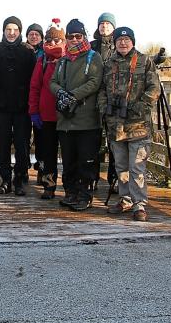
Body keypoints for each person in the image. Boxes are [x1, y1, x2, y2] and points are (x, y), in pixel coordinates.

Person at [98, 26, 160, 221]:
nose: (123, 43)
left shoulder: (144, 61)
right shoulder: (109, 63)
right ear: (115, 42)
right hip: (116, 125)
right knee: (121, 165)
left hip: (138, 125)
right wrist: (103, 107)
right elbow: (101, 89)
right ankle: (125, 200)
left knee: (137, 166)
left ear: (133, 41)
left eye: (126, 40)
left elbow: (154, 88)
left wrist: (139, 106)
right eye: (119, 40)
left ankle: (139, 204)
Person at [49, 19, 103, 211]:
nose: (73, 40)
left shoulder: (93, 57)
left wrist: (73, 95)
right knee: (69, 160)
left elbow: (95, 81)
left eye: (78, 36)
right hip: (65, 121)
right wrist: (61, 93)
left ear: (84, 36)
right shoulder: (63, 60)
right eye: (70, 37)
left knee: (86, 160)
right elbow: (52, 82)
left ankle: (85, 195)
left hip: (87, 121)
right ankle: (71, 193)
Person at [0, 16, 35, 196]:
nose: (12, 33)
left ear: (20, 32)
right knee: (3, 144)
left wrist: (32, 106)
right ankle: (5, 179)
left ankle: (19, 179)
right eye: (8, 29)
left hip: (22, 108)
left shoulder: (28, 52)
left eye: (15, 30)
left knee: (21, 146)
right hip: (1, 107)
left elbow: (33, 82)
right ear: (4, 31)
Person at [28, 19, 65, 199]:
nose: (52, 44)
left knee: (68, 153)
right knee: (48, 153)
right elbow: (34, 87)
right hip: (47, 116)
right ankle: (49, 186)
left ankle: (70, 186)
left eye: (56, 41)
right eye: (49, 41)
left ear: (63, 41)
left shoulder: (70, 59)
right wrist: (34, 111)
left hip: (67, 116)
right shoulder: (42, 60)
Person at [91, 12, 118, 189]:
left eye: (108, 24)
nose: (105, 27)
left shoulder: (120, 45)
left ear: (114, 27)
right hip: (93, 98)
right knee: (92, 141)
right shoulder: (91, 46)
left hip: (113, 100)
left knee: (115, 141)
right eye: (102, 24)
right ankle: (91, 178)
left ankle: (114, 179)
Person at [25, 22, 45, 183]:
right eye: (31, 34)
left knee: (41, 137)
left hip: (40, 101)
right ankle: (23, 167)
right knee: (24, 137)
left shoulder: (46, 53)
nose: (34, 36)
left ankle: (41, 167)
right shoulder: (21, 50)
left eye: (37, 34)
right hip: (23, 99)